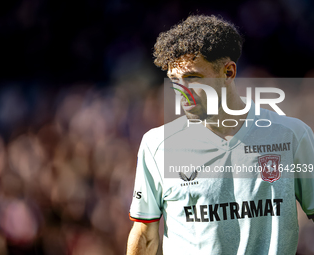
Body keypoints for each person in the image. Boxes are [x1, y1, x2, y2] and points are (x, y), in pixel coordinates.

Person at [126, 15, 314, 255]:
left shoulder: (291, 135)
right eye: (175, 80)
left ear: (228, 72)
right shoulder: (157, 145)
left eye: (193, 78)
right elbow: (145, 233)